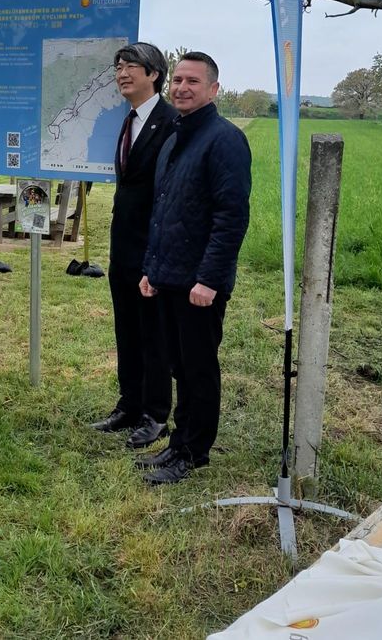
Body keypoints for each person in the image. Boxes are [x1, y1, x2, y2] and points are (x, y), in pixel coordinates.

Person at [137, 51, 251, 484]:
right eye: (178, 80)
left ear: (213, 89)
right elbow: (163, 212)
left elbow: (230, 217)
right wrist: (151, 268)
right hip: (169, 277)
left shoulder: (224, 140)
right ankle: (178, 443)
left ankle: (192, 452)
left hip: (199, 285)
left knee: (198, 369)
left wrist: (208, 279)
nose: (182, 88)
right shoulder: (174, 138)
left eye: (193, 82)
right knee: (179, 366)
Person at [90, 42, 177, 448]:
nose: (122, 73)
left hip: (153, 249)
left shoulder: (170, 122)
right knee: (126, 327)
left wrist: (159, 255)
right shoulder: (129, 120)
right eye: (118, 67)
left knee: (153, 333)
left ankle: (155, 414)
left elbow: (172, 194)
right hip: (123, 248)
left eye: (131, 67)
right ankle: (129, 404)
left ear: (154, 74)